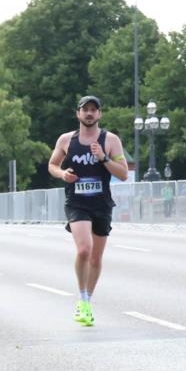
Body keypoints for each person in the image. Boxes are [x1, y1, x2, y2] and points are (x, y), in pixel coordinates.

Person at [47, 95, 128, 327]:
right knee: (84, 249)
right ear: (78, 114)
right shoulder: (66, 140)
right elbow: (52, 165)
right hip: (77, 202)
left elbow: (122, 173)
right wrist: (63, 174)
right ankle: (82, 300)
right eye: (85, 110)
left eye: (94, 110)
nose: (90, 113)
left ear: (100, 114)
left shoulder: (110, 140)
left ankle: (87, 301)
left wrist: (103, 158)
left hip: (101, 204)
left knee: (96, 257)